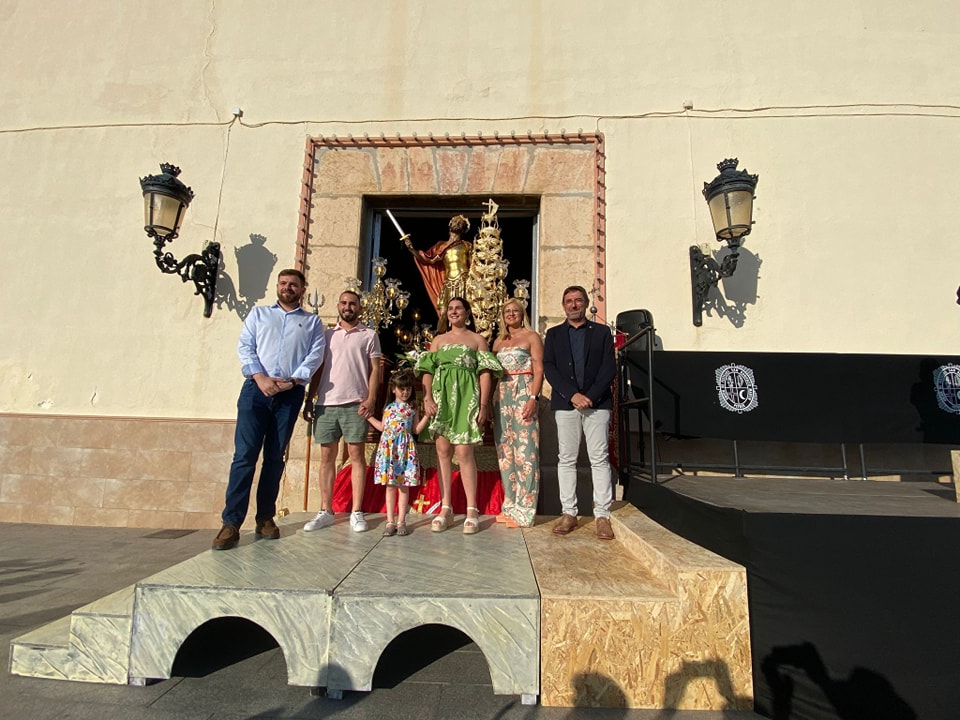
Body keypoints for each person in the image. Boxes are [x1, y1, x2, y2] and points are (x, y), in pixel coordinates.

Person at [213, 269, 326, 551]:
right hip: (255, 391)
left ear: (302, 290)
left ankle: (265, 518)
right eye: (284, 283)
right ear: (277, 286)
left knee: (275, 458)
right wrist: (260, 377)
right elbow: (245, 347)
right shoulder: (259, 314)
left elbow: (315, 355)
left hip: (289, 395)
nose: (288, 288)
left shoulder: (311, 322)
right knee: (244, 457)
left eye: (294, 285)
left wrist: (293, 381)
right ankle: (231, 523)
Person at [415, 297, 502, 533]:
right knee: (443, 450)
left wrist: (483, 404)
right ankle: (446, 507)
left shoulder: (477, 340)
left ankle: (472, 509)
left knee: (464, 451)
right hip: (441, 399)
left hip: (467, 398)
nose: (454, 312)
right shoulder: (438, 340)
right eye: (450, 309)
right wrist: (427, 398)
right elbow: (427, 370)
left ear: (467, 313)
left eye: (458, 308)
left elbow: (485, 373)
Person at [302, 290, 382, 533]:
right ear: (338, 305)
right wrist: (310, 399)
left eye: (352, 303)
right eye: (344, 303)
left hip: (355, 404)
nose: (348, 307)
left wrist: (371, 399)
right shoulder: (327, 335)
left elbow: (375, 369)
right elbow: (318, 369)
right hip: (326, 403)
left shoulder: (369, 335)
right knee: (326, 457)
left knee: (356, 456)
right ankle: (326, 510)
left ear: (360, 308)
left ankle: (356, 511)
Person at [542, 285, 617, 540]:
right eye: (569, 301)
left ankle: (603, 515)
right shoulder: (553, 334)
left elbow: (609, 368)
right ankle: (569, 513)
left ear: (585, 303)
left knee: (599, 458)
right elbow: (550, 368)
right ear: (563, 305)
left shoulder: (602, 332)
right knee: (566, 459)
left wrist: (590, 396)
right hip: (566, 405)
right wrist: (572, 395)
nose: (573, 305)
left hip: (597, 405)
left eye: (578, 300)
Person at [492, 298, 543, 527]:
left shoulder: (532, 337)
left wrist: (533, 397)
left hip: (523, 390)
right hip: (502, 394)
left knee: (526, 450)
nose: (511, 314)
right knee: (505, 451)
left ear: (523, 314)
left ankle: (526, 510)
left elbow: (539, 369)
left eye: (515, 311)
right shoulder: (498, 342)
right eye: (507, 311)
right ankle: (511, 505)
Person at [367, 368, 432, 537]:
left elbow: (416, 429)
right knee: (390, 486)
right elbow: (382, 427)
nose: (405, 392)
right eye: (401, 388)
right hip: (389, 449)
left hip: (405, 450)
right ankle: (390, 521)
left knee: (403, 486)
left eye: (408, 389)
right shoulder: (388, 408)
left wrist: (427, 416)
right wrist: (368, 417)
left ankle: (401, 520)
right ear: (393, 389)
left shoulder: (412, 409)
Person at [401, 214, 471, 320]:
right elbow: (427, 259)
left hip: (464, 282)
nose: (457, 223)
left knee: (464, 311)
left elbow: (474, 265)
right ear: (450, 224)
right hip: (448, 283)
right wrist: (411, 249)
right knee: (444, 314)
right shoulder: (441, 247)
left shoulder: (467, 245)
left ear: (464, 228)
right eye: (455, 221)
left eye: (460, 222)